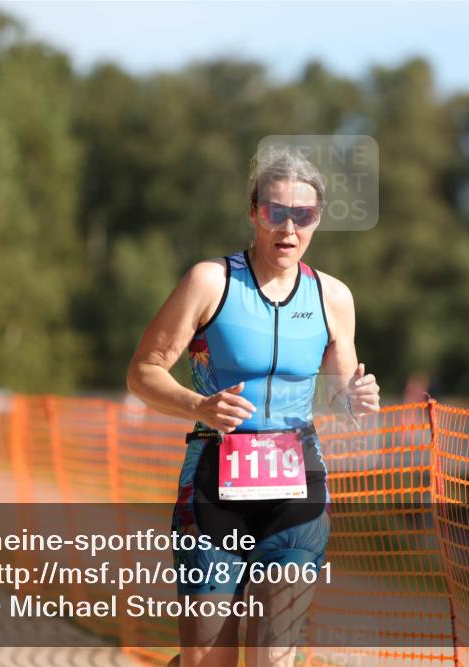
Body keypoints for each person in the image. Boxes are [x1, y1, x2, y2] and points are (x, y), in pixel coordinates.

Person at [127, 145, 381, 667]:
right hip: (212, 487)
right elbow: (143, 372)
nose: (288, 228)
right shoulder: (210, 282)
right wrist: (199, 405)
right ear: (254, 212)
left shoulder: (333, 297)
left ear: (317, 220)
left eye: (302, 215)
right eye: (275, 212)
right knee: (206, 660)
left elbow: (338, 393)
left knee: (274, 654)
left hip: (296, 489)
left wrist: (355, 398)